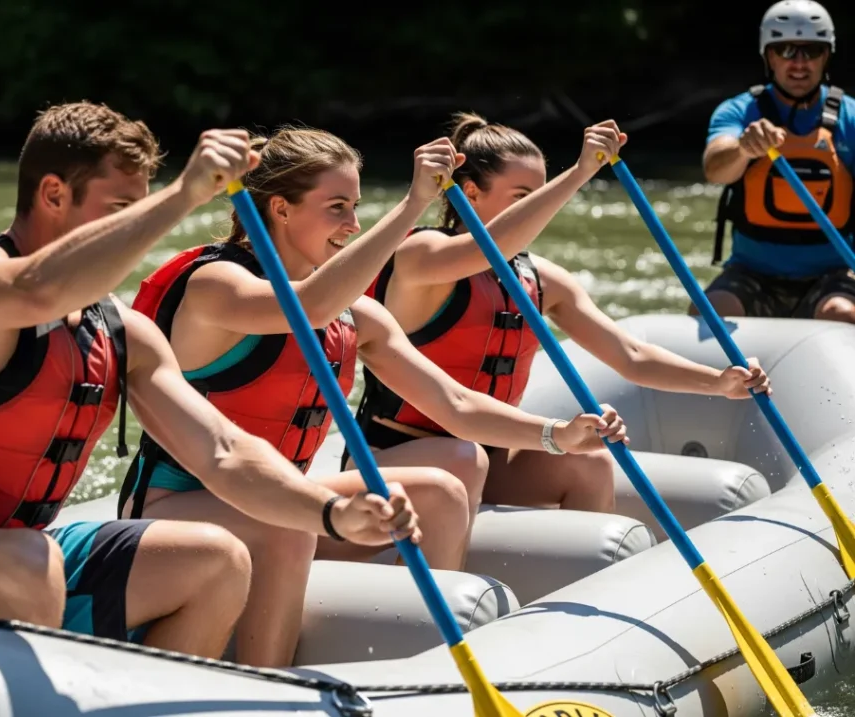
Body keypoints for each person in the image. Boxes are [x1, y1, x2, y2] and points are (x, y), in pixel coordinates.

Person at [0, 102, 422, 660]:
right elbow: (32, 291)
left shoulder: (122, 333)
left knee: (217, 560)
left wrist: (329, 514)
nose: (137, 231)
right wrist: (182, 196)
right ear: (53, 194)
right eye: (122, 211)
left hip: (21, 553)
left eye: (142, 208)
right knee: (23, 560)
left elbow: (223, 452)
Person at [126, 125, 628, 667]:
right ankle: (268, 682)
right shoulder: (217, 286)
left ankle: (428, 659)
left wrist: (557, 436)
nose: (353, 224)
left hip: (283, 498)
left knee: (440, 490)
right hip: (175, 507)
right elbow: (307, 308)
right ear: (281, 209)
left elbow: (454, 404)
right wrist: (415, 203)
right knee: (289, 529)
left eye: (357, 206)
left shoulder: (355, 314)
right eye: (337, 207)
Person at [354, 111, 773, 515]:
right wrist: (578, 173)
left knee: (590, 462)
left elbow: (631, 355)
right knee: (464, 459)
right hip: (395, 455)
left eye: (539, 196)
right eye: (523, 199)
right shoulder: (422, 256)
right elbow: (488, 249)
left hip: (485, 456)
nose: (538, 211)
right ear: (469, 192)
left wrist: (719, 382)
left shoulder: (542, 280)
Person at [699, 0, 855, 321]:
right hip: (753, 274)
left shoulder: (850, 118)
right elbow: (714, 169)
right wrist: (744, 149)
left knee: (839, 312)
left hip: (835, 274)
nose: (799, 63)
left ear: (826, 56)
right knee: (713, 311)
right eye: (785, 51)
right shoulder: (739, 112)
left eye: (810, 51)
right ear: (769, 56)